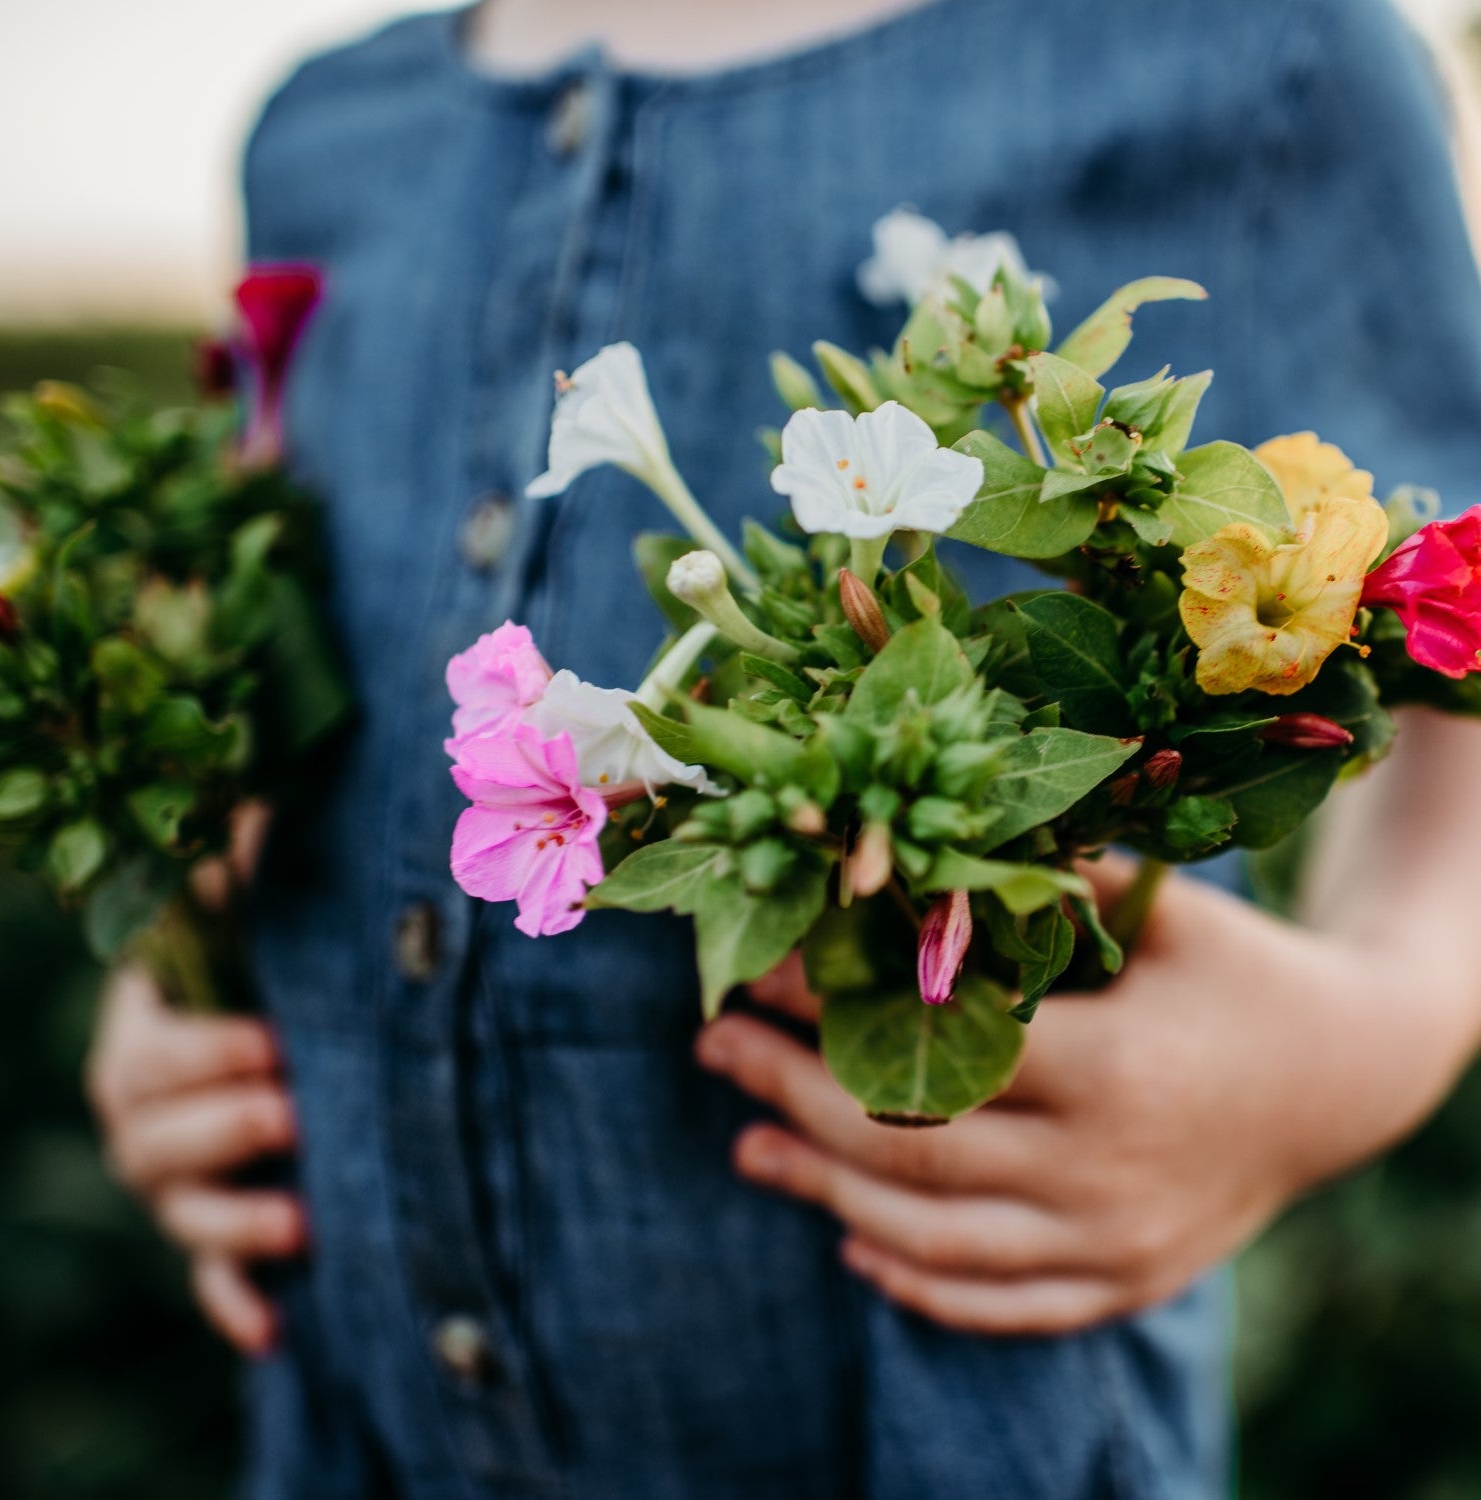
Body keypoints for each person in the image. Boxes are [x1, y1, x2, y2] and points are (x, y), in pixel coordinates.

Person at [84, 0, 1481, 1495]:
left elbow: (1449, 626)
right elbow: (267, 627)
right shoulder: (331, 132)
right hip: (353, 1409)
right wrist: (172, 973)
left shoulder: (1256, 55)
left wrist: (1354, 1043)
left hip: (958, 1412)